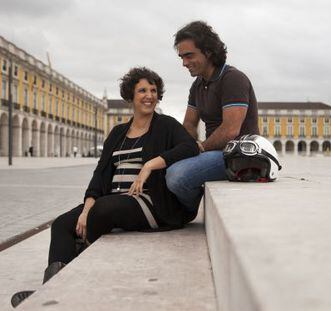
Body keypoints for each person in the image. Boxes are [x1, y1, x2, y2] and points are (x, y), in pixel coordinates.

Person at [11, 67, 199, 308]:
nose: (149, 95)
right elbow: (101, 173)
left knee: (103, 210)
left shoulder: (166, 125)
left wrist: (150, 165)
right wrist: (87, 205)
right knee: (62, 224)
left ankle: (70, 273)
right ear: (130, 96)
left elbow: (190, 148)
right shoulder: (118, 132)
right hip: (112, 200)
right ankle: (50, 290)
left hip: (151, 202)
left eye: (153, 90)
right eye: (142, 90)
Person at [166, 21, 259, 212]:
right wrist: (181, 147)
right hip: (215, 152)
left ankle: (186, 211)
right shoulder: (197, 85)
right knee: (161, 164)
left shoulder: (233, 78)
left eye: (189, 55)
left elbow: (230, 130)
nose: (184, 63)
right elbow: (189, 125)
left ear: (208, 52)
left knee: (177, 176)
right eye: (181, 57)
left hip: (240, 154)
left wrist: (200, 147)